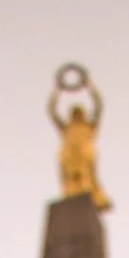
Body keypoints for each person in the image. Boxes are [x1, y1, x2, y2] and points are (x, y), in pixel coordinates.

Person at [48, 74, 112, 211]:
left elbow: (99, 105)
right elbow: (52, 111)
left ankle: (94, 200)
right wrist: (57, 90)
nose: (77, 114)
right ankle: (72, 201)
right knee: (70, 180)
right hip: (69, 157)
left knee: (87, 178)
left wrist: (90, 86)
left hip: (84, 155)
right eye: (75, 113)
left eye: (79, 112)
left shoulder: (90, 126)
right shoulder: (67, 128)